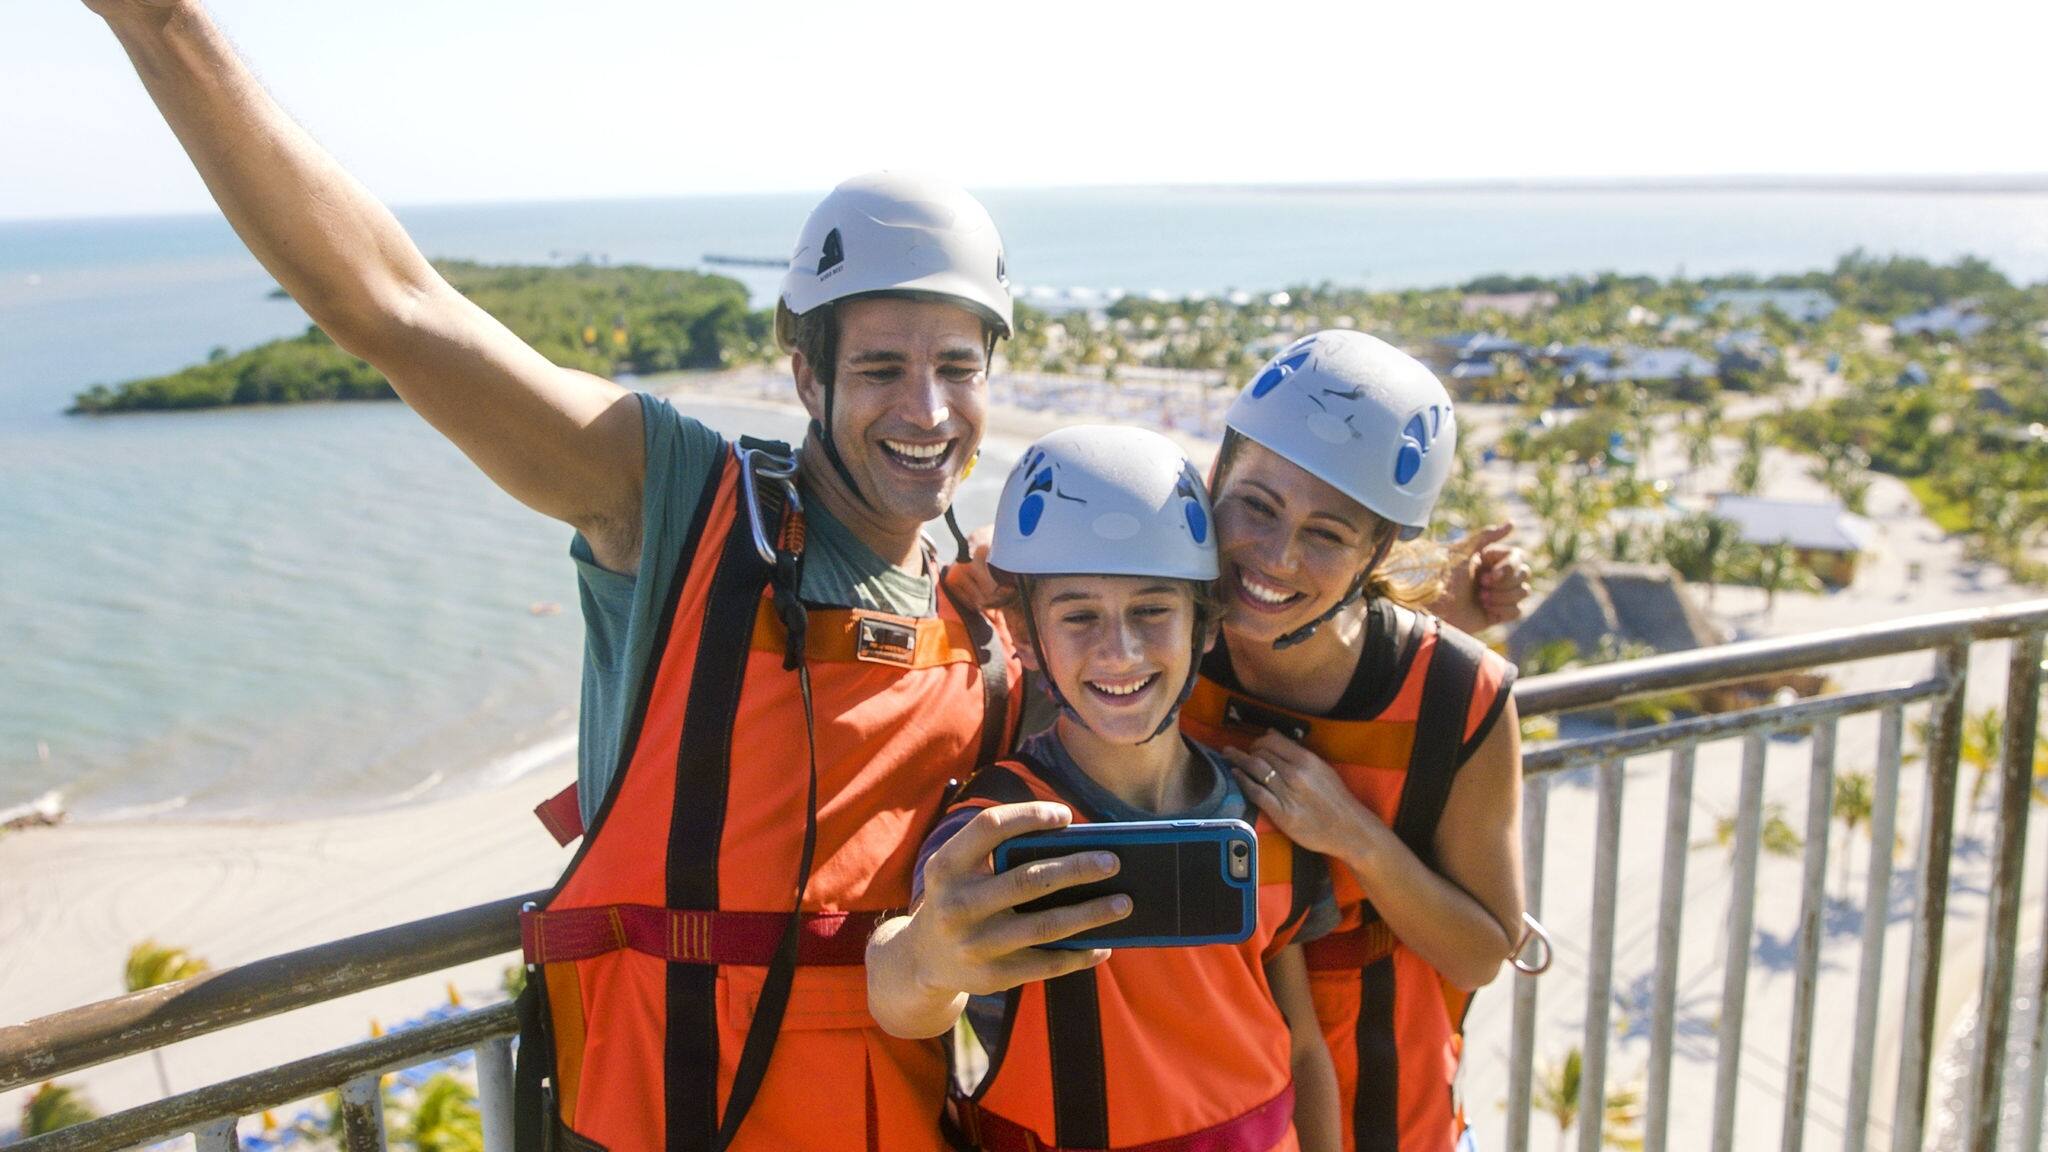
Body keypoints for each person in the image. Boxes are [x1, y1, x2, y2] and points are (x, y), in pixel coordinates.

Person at [84, 5, 1024, 1149]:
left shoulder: (984, 614)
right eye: (880, 366)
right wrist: (161, 24)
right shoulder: (681, 503)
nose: (925, 411)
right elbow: (389, 306)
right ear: (805, 375)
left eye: (955, 369)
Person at [867, 425, 1340, 1152]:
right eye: (1080, 616)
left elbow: (1302, 1047)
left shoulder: (1264, 819)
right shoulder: (999, 828)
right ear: (1024, 635)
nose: (1119, 650)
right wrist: (925, 961)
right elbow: (905, 989)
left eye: (1153, 610)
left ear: (1204, 625)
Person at [1185, 331, 1529, 1152]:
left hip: (1395, 1122)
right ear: (1213, 481)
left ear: (1379, 550)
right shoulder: (1154, 644)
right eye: (1256, 506)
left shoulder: (1460, 695)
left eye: (1328, 535)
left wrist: (1353, 836)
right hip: (1204, 1114)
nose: (1276, 557)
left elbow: (1484, 952)